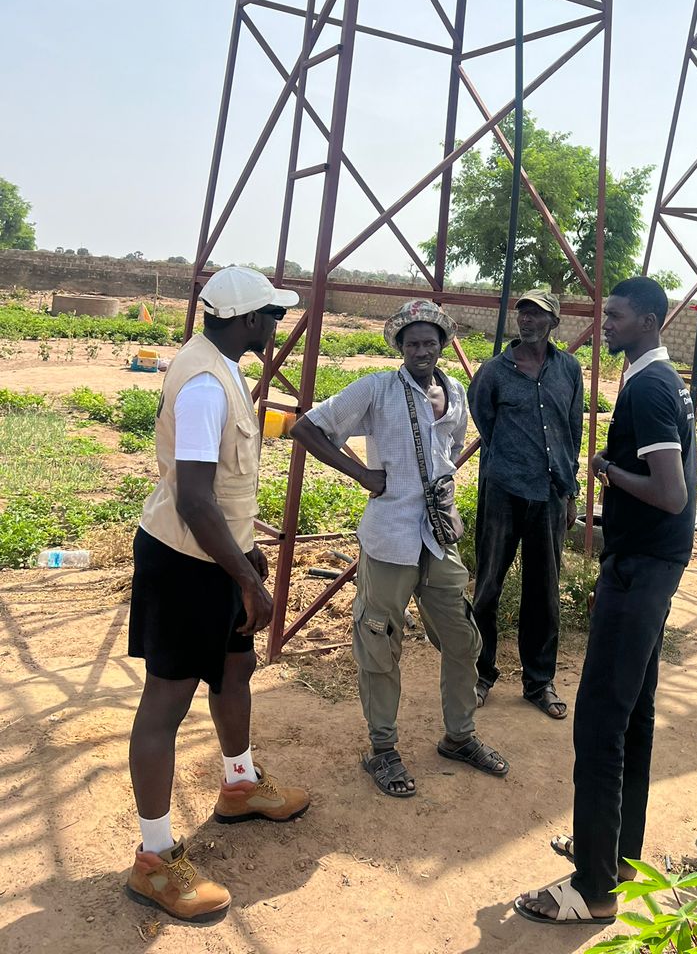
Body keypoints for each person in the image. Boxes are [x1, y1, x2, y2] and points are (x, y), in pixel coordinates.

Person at [126, 266, 310, 924]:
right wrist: (250, 580)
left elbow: (219, 496)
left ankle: (240, 784)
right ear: (248, 320)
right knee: (166, 702)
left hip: (216, 556)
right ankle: (154, 860)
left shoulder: (222, 365)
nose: (278, 325)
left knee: (236, 668)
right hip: (185, 562)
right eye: (273, 315)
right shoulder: (206, 384)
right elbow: (195, 500)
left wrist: (244, 554)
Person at [514, 276, 697, 926]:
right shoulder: (661, 378)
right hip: (651, 562)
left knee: (597, 723)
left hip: (641, 569)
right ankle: (617, 856)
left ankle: (593, 889)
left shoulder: (647, 388)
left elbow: (670, 493)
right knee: (633, 713)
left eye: (616, 315)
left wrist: (606, 471)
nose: (605, 323)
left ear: (649, 320)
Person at [290, 298, 508, 798]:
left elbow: (449, 452)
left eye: (430, 342)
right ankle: (382, 749)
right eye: (412, 344)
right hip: (389, 539)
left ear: (443, 345)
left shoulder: (456, 393)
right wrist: (362, 474)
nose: (421, 351)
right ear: (400, 347)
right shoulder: (377, 389)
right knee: (380, 644)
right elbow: (307, 427)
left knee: (462, 639)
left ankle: (459, 737)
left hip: (438, 537)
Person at [467, 290, 583, 719]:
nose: (527, 320)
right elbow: (484, 421)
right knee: (487, 587)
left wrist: (570, 492)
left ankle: (539, 682)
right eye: (523, 313)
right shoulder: (494, 371)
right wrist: (511, 460)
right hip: (503, 491)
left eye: (536, 314)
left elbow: (572, 432)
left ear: (554, 322)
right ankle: (480, 674)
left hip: (550, 494)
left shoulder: (568, 369)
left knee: (544, 592)